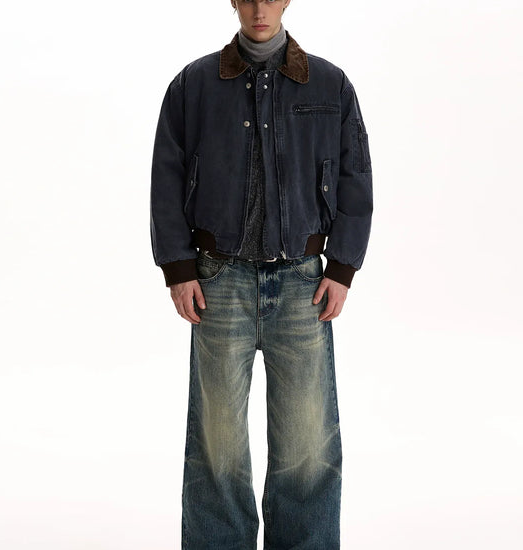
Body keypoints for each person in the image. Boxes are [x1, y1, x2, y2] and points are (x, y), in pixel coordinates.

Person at [150, 1, 373, 548]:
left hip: (303, 285)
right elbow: (166, 176)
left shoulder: (330, 84)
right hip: (217, 281)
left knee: (307, 445)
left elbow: (355, 175)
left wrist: (342, 267)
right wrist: (178, 267)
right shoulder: (193, 84)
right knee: (217, 446)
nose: (259, 10)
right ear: (232, 1)